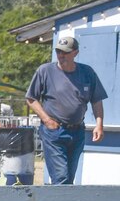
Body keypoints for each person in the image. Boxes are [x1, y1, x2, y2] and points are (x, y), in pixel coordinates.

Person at [26, 35, 107, 185]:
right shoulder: (45, 71)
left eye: (65, 52)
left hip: (77, 132)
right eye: (58, 51)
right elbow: (31, 98)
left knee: (69, 179)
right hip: (54, 132)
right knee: (61, 178)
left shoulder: (87, 72)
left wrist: (99, 124)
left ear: (75, 53)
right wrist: (47, 120)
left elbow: (97, 100)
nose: (61, 55)